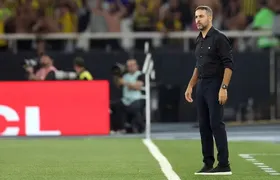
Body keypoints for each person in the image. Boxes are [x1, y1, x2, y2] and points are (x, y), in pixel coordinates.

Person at [185, 6, 234, 175]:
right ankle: (207, 163)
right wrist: (191, 85)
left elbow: (228, 66)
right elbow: (198, 66)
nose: (197, 20)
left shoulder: (220, 38)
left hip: (215, 84)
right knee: (203, 126)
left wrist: (224, 88)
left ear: (210, 18)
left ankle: (224, 164)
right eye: (196, 17)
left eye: (201, 16)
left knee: (216, 124)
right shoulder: (199, 40)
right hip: (201, 85)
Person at [111, 59, 145, 134]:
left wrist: (126, 83)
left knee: (134, 108)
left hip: (136, 99)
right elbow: (118, 84)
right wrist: (117, 75)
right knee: (115, 106)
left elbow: (137, 86)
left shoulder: (140, 75)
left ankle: (139, 126)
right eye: (129, 66)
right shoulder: (125, 75)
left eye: (132, 65)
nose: (130, 67)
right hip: (125, 99)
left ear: (136, 66)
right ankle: (119, 128)